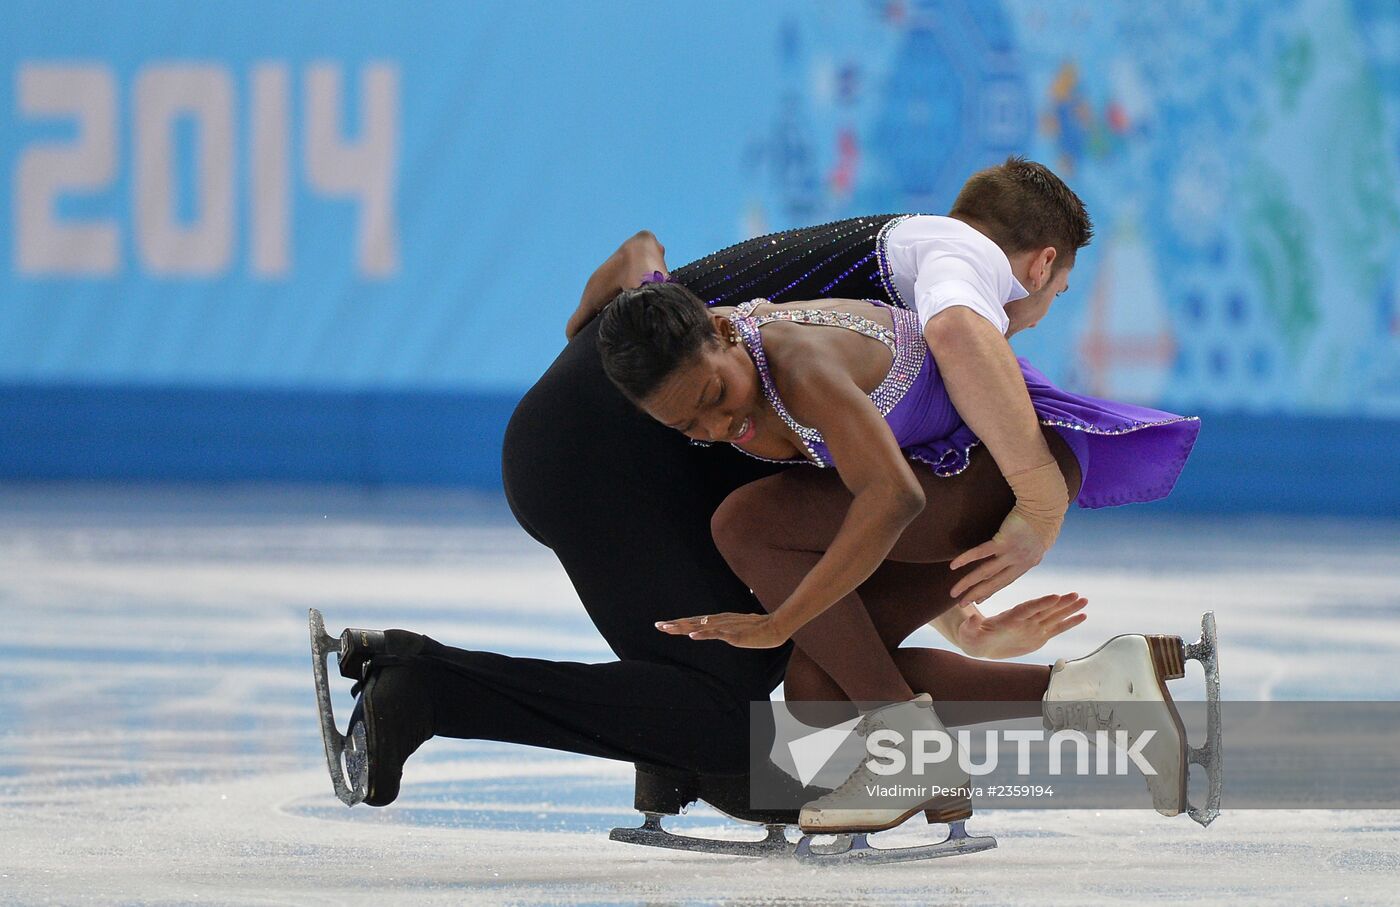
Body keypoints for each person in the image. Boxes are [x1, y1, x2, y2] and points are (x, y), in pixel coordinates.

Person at [317, 158, 1182, 819]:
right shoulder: (960, 263)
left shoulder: (866, 290)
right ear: (1038, 264)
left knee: (783, 698)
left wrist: (960, 615)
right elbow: (958, 338)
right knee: (741, 731)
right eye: (1057, 293)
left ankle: (1064, 697)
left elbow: (875, 468)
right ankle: (425, 687)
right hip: (606, 445)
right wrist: (1038, 497)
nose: (1038, 316)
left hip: (610, 414)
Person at [596, 279, 1199, 830]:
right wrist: (959, 622)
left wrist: (780, 623)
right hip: (947, 482)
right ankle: (1099, 691)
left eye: (715, 394)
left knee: (745, 523)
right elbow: (882, 496)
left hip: (1002, 468)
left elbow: (893, 497)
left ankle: (912, 752)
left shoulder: (801, 367)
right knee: (817, 687)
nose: (719, 423)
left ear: (726, 334)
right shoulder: (729, 362)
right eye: (688, 425)